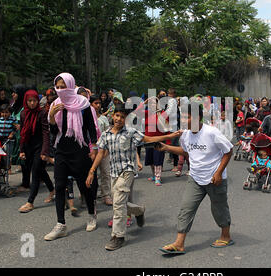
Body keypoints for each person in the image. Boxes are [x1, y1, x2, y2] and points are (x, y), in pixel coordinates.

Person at [87, 104, 180, 251]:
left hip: (127, 171)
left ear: (125, 119)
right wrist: (91, 171)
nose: (119, 119)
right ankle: (139, 211)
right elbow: (100, 153)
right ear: (113, 116)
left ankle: (118, 236)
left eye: (122, 117)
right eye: (117, 116)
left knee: (117, 203)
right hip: (114, 172)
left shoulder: (130, 132)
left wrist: (170, 136)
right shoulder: (106, 134)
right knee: (119, 202)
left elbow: (148, 139)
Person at [157, 103, 234, 254]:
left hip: (214, 178)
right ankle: (179, 243)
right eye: (183, 116)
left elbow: (228, 151)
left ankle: (226, 236)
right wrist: (166, 148)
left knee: (219, 208)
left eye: (188, 116)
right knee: (186, 208)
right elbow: (186, 152)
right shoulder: (185, 135)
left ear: (198, 117)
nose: (185, 120)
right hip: (195, 177)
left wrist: (218, 173)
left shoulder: (211, 132)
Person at [44, 73, 99, 241]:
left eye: (63, 86)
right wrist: (52, 116)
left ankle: (91, 214)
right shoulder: (55, 104)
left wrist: (94, 147)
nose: (60, 90)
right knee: (60, 186)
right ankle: (61, 224)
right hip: (61, 150)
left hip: (80, 150)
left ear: (71, 85)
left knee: (85, 186)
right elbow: (54, 133)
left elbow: (90, 128)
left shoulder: (83, 105)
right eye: (57, 87)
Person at [18, 90, 55, 213]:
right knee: (40, 170)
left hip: (40, 146)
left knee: (35, 172)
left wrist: (45, 151)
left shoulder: (42, 113)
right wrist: (22, 150)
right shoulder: (23, 114)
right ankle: (52, 190)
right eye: (30, 101)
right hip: (29, 146)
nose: (32, 103)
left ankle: (30, 202)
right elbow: (22, 133)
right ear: (26, 101)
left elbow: (45, 132)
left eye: (34, 100)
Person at [89, 95, 112, 206]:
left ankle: (106, 195)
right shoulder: (86, 119)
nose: (97, 106)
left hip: (103, 150)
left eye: (99, 103)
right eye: (95, 103)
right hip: (90, 150)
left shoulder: (103, 119)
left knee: (106, 173)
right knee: (91, 172)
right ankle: (88, 195)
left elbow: (108, 133)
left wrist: (107, 148)